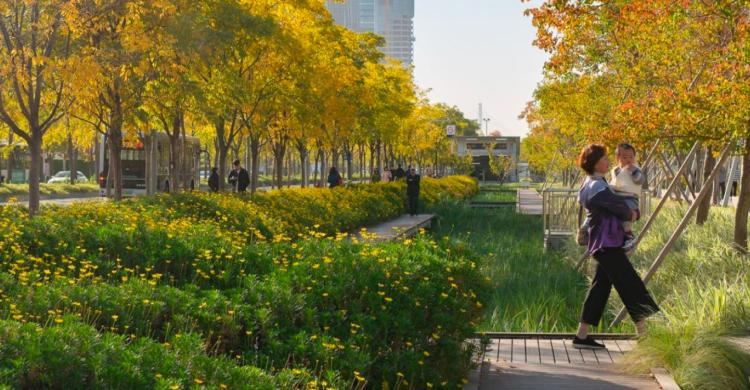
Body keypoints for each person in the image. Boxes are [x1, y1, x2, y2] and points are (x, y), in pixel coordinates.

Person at [574, 144, 659, 349]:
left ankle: (582, 336)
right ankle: (644, 336)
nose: (607, 162)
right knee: (629, 284)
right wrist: (634, 214)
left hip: (603, 241)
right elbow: (619, 208)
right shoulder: (598, 187)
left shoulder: (590, 184)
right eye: (603, 159)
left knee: (600, 287)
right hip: (608, 241)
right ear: (594, 162)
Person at [610, 143, 645, 253]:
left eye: (631, 157)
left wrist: (633, 171)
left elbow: (640, 180)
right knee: (616, 217)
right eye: (624, 157)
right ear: (618, 158)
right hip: (617, 199)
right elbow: (614, 183)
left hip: (630, 199)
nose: (628, 160)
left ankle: (630, 236)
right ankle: (621, 238)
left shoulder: (635, 170)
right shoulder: (615, 170)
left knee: (625, 216)